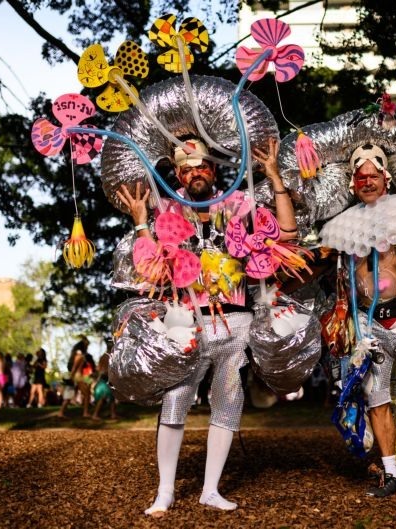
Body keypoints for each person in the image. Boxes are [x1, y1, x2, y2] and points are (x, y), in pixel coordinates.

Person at [116, 135, 297, 516]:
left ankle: (210, 490)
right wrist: (139, 222)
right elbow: (148, 268)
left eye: (202, 166)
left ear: (213, 169)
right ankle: (165, 491)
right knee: (175, 399)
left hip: (235, 321)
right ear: (179, 175)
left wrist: (275, 178)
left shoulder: (240, 204)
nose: (195, 173)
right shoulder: (166, 210)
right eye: (186, 168)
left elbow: (286, 237)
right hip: (187, 322)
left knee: (229, 402)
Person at [334, 145, 396, 498]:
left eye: (373, 176)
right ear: (352, 184)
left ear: (385, 179)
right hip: (368, 326)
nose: (367, 182)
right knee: (376, 399)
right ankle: (390, 472)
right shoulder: (344, 226)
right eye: (360, 177)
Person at [57, 337, 90, 418]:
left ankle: (61, 413)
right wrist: (71, 378)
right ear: (83, 345)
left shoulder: (77, 354)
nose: (87, 347)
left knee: (69, 396)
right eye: (87, 345)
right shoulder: (79, 355)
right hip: (77, 376)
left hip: (76, 376)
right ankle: (85, 413)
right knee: (87, 394)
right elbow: (74, 367)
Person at [91, 353, 117, 421]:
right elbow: (101, 369)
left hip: (107, 378)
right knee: (103, 396)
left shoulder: (105, 356)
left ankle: (113, 414)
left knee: (112, 397)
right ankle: (95, 414)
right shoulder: (109, 356)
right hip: (105, 378)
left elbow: (99, 368)